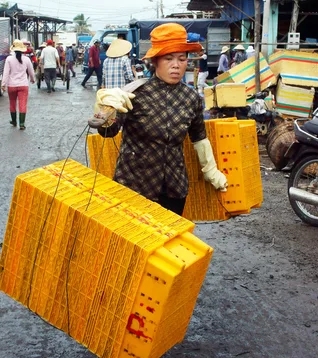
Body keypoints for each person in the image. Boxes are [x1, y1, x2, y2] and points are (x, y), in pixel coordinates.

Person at [95, 23, 228, 215]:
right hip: (134, 185)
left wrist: (211, 171)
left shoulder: (191, 99)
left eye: (182, 59)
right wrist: (104, 110)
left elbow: (199, 138)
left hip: (174, 188)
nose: (176, 65)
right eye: (168, 58)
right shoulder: (135, 94)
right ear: (155, 61)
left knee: (169, 241)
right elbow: (108, 132)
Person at [2, 40, 35, 130]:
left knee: (12, 103)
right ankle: (22, 123)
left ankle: (13, 121)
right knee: (22, 104)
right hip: (23, 85)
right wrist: (32, 79)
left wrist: (3, 84)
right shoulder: (27, 59)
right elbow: (31, 72)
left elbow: (6, 73)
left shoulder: (9, 59)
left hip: (11, 85)